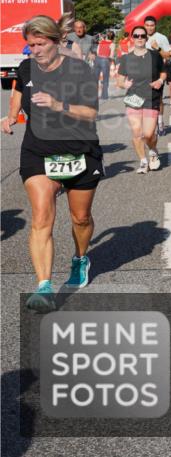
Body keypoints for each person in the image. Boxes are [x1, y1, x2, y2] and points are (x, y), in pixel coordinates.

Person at [3, 16, 103, 313]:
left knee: (81, 218)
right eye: (30, 45)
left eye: (41, 44)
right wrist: (10, 117)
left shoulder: (78, 69)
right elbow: (17, 94)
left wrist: (60, 105)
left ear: (57, 41)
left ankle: (80, 257)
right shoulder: (25, 68)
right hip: (38, 151)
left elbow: (91, 113)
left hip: (79, 150)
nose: (35, 50)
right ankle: (44, 287)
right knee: (41, 215)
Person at [117, 25, 167, 174]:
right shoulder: (126, 58)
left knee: (148, 134)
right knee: (137, 132)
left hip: (151, 97)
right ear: (132, 38)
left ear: (146, 38)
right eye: (136, 36)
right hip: (133, 99)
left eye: (142, 36)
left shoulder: (155, 56)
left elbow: (163, 72)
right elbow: (119, 81)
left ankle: (153, 150)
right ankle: (143, 161)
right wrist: (123, 84)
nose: (139, 38)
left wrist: (160, 81)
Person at [143, 17, 171, 136]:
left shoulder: (161, 38)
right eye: (147, 25)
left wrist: (157, 48)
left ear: (155, 26)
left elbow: (168, 56)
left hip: (158, 72)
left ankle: (159, 122)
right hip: (142, 73)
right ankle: (146, 125)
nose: (149, 27)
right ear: (144, 25)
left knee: (158, 99)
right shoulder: (139, 36)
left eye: (152, 25)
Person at [94, 32, 114, 100]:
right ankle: (104, 96)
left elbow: (97, 51)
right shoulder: (112, 44)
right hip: (105, 59)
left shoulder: (101, 42)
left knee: (95, 78)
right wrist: (110, 63)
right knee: (105, 79)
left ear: (106, 36)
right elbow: (111, 55)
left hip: (97, 59)